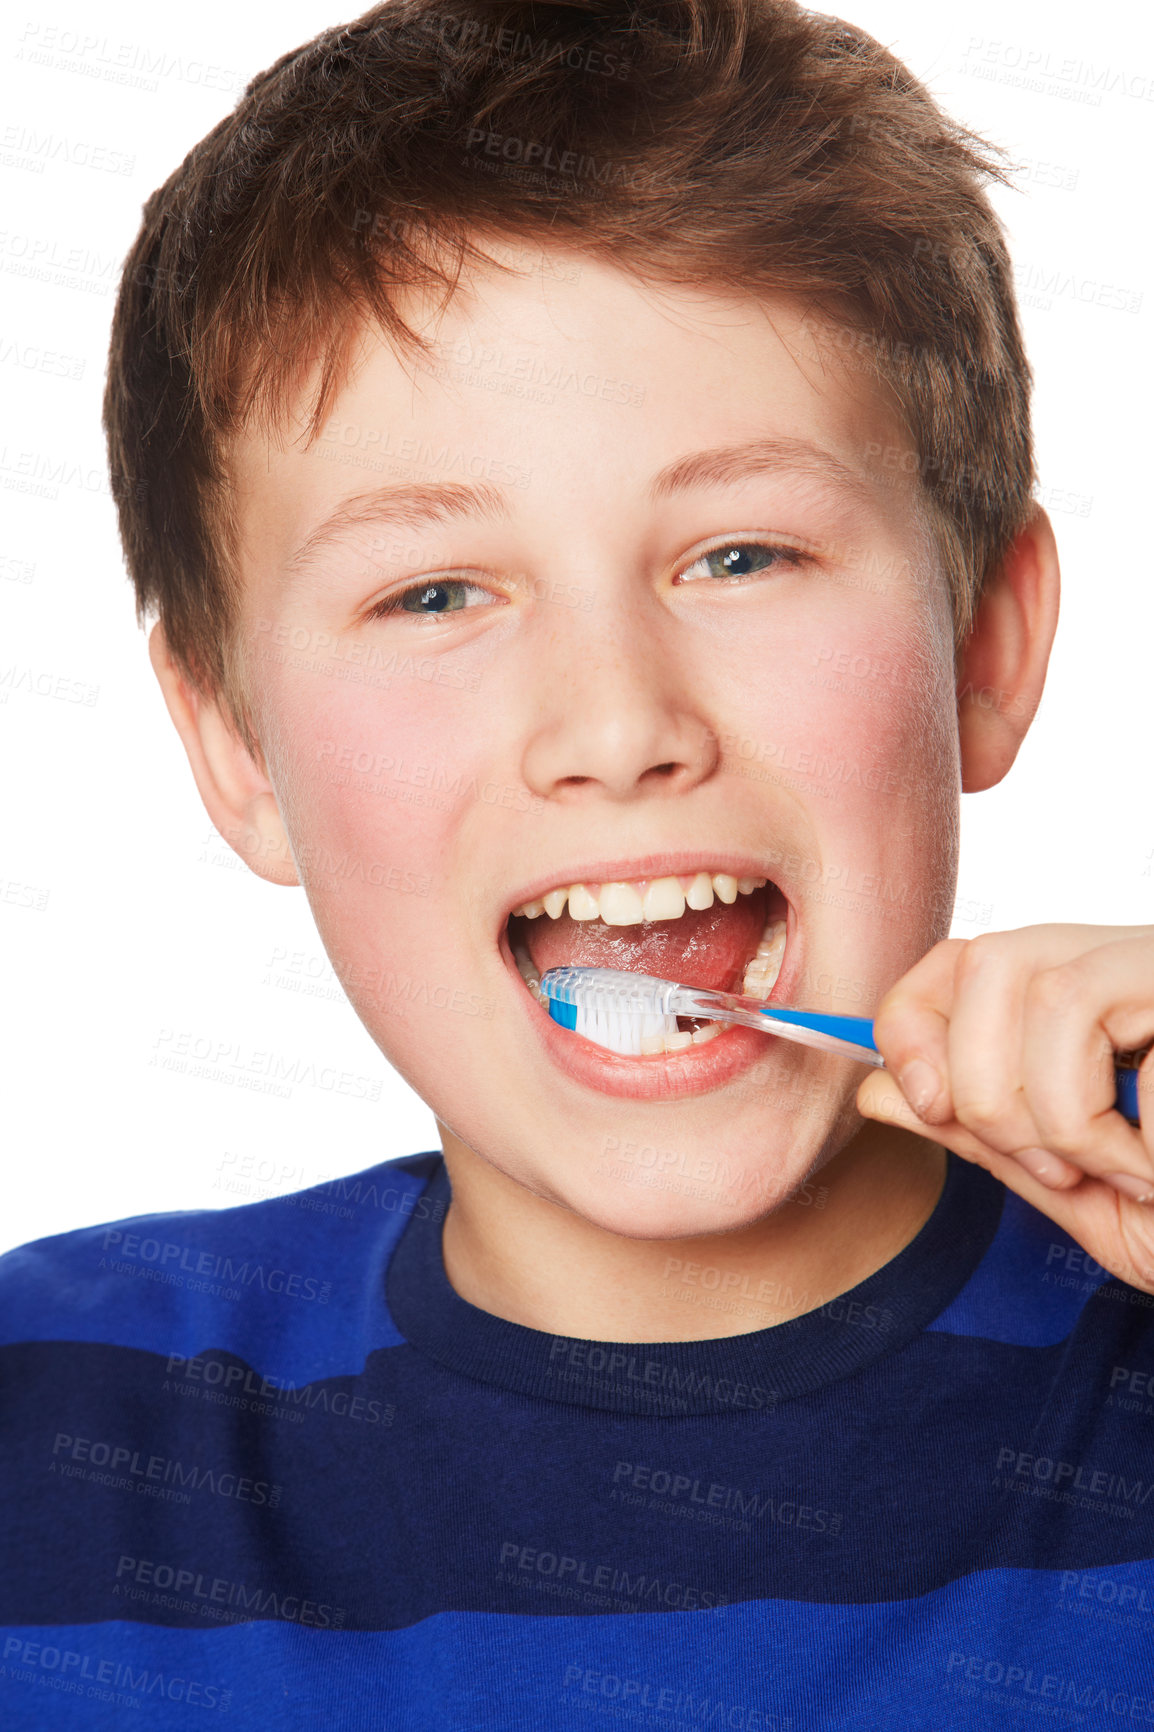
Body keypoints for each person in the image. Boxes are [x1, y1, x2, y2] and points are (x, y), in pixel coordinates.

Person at [2, 0, 1152, 1724]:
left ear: (983, 644)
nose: (615, 724)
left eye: (742, 553)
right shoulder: (50, 1429)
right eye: (436, 594)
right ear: (235, 748)